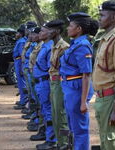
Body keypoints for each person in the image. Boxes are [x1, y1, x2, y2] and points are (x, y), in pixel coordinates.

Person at [59, 12, 99, 150]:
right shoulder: (75, 44)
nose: (68, 29)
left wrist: (83, 102)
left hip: (77, 90)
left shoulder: (82, 46)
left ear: (79, 29)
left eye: (71, 26)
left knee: (80, 129)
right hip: (70, 88)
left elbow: (86, 74)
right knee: (73, 127)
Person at [92, 1, 115, 149]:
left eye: (102, 15)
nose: (99, 18)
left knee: (113, 142)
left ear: (114, 17)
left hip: (112, 98)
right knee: (105, 142)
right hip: (103, 98)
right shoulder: (105, 39)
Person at [46, 19, 70, 149]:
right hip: (53, 82)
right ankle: (59, 142)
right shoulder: (53, 46)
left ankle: (65, 142)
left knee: (61, 115)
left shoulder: (64, 47)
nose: (48, 32)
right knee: (55, 114)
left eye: (50, 30)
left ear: (57, 31)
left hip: (60, 83)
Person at [33, 25, 55, 150]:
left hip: (45, 83)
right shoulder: (44, 46)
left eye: (42, 31)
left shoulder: (50, 47)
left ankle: (51, 140)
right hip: (40, 82)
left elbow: (50, 69)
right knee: (44, 110)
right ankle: (48, 136)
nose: (40, 33)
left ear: (50, 32)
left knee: (48, 112)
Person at [13, 24, 28, 109]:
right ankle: (22, 99)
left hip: (19, 62)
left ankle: (24, 101)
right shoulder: (20, 41)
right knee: (20, 82)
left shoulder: (22, 41)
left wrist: (22, 67)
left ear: (21, 34)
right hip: (17, 61)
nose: (16, 35)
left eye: (17, 33)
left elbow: (22, 55)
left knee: (22, 83)